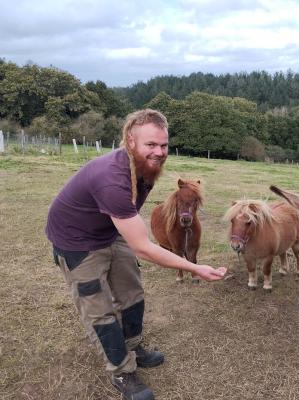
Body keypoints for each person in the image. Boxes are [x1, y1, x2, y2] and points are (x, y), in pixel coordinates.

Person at [46, 109, 226, 400]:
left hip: (109, 232)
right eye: (150, 145)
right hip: (76, 241)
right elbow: (143, 246)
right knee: (98, 309)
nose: (159, 152)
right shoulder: (112, 178)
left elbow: (128, 217)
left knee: (132, 290)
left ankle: (133, 345)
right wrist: (195, 268)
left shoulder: (146, 170)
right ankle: (121, 371)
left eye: (164, 145)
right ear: (130, 142)